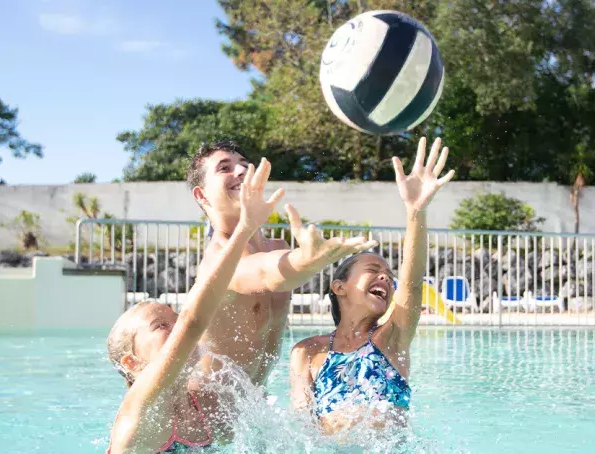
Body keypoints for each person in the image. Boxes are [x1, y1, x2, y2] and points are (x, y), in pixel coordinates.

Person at [105, 159, 281, 453]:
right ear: (133, 363)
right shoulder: (139, 409)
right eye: (161, 326)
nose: (178, 328)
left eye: (175, 319)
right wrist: (244, 228)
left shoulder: (205, 405)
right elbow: (194, 320)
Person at [289, 137, 454, 433]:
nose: (385, 278)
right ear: (339, 287)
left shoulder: (392, 338)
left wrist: (416, 210)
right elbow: (303, 428)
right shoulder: (306, 351)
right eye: (373, 270)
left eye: (389, 275)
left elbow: (412, 284)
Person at [185, 141, 377, 387]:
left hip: (254, 399)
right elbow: (268, 273)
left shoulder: (277, 247)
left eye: (244, 165)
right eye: (224, 168)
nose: (241, 171)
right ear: (202, 195)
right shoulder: (218, 258)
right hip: (205, 404)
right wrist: (308, 259)